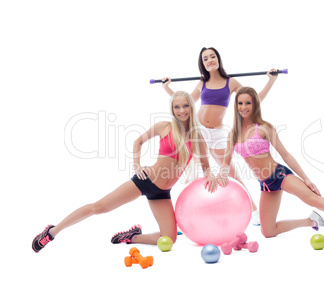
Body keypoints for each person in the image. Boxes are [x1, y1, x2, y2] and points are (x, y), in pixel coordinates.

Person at [32, 91, 217, 253]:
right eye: (177, 107)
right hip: (145, 181)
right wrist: (137, 166)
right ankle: (51, 232)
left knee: (169, 238)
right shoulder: (164, 127)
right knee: (98, 208)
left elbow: (206, 166)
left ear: (191, 108)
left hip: (162, 193)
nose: (181, 110)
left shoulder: (197, 137)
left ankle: (132, 237)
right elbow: (138, 141)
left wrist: (211, 176)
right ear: (172, 109)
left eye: (185, 106)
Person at [217, 86, 324, 247]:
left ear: (255, 105)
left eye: (248, 103)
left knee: (316, 201)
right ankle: (311, 221)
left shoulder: (264, 128)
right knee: (267, 231)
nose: (243, 107)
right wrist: (221, 175)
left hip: (279, 175)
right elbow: (226, 163)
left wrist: (306, 179)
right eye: (240, 103)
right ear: (236, 105)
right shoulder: (233, 134)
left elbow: (286, 155)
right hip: (265, 184)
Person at [162, 47, 279, 226]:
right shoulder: (202, 83)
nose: (209, 60)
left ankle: (254, 211)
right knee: (186, 172)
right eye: (205, 58)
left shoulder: (230, 82)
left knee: (231, 172)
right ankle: (180, 218)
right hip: (198, 131)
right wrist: (167, 88)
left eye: (212, 56)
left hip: (217, 132)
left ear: (218, 59)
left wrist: (270, 81)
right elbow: (187, 102)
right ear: (202, 63)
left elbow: (254, 99)